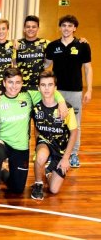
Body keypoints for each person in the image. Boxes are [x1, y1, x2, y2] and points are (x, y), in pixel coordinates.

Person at [0, 67, 67, 208]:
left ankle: (1, 172)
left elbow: (49, 91)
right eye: (10, 82)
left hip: (21, 147)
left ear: (22, 83)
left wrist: (62, 102)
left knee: (17, 189)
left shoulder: (29, 95)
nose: (14, 86)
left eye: (17, 82)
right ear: (4, 83)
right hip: (2, 141)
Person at [45, 15, 92, 168]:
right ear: (60, 27)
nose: (66, 28)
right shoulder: (52, 46)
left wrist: (89, 89)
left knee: (74, 124)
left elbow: (87, 68)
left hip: (75, 91)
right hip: (56, 91)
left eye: (69, 26)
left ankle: (73, 154)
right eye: (63, 25)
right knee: (55, 122)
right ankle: (54, 153)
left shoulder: (83, 45)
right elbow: (46, 65)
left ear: (74, 28)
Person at [31, 71, 78, 200]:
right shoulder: (35, 107)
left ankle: (47, 173)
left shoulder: (66, 109)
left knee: (53, 190)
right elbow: (35, 127)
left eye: (50, 85)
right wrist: (37, 146)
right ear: (39, 87)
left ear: (55, 88)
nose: (46, 88)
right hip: (45, 142)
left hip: (61, 149)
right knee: (40, 156)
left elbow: (74, 132)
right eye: (43, 85)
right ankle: (38, 184)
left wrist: (66, 158)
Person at [15, 15, 49, 90]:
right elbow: (13, 63)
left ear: (38, 29)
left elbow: (49, 61)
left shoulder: (45, 43)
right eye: (28, 27)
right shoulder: (17, 44)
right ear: (24, 29)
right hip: (21, 87)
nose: (31, 29)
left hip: (40, 87)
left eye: (34, 27)